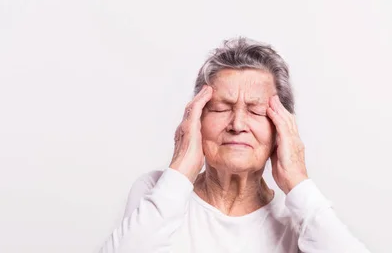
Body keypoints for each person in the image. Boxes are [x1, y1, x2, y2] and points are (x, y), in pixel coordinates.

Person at [97, 37, 371, 253]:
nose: (238, 124)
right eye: (220, 109)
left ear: (282, 129)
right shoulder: (158, 191)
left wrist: (298, 182)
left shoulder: (297, 218)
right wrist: (180, 169)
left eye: (256, 111)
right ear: (196, 119)